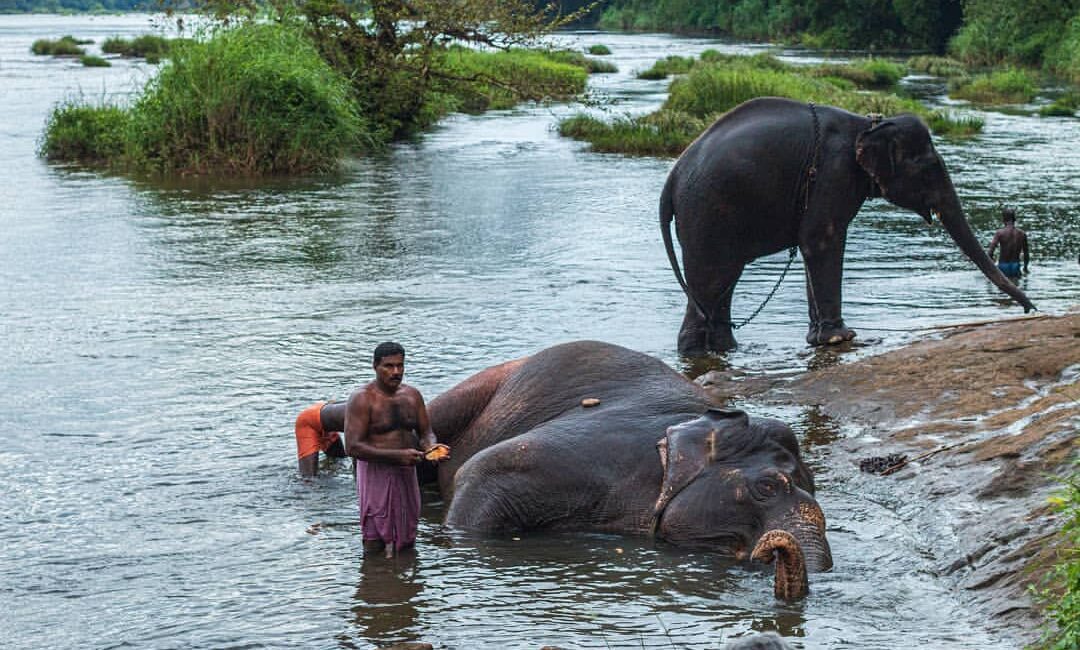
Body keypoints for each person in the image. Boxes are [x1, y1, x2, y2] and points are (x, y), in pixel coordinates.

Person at [345, 341, 448, 557]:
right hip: (376, 473)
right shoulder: (362, 399)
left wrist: (431, 446)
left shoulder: (412, 395)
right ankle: (374, 578)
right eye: (389, 366)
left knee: (408, 533)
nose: (396, 372)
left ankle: (402, 582)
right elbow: (353, 446)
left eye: (400, 366)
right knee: (375, 538)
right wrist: (396, 456)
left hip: (407, 470)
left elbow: (425, 431)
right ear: (375, 366)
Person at [294, 401, 348, 477]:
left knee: (339, 460)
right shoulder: (362, 414)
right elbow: (354, 449)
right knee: (308, 480)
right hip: (308, 422)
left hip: (327, 418)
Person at [987, 207, 1029, 279]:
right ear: (1014, 219)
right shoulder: (1022, 234)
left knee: (1002, 288)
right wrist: (1025, 267)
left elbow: (990, 252)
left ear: (1003, 220)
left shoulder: (999, 233)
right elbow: (1026, 254)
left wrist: (991, 267)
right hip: (1016, 266)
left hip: (1003, 266)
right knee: (1015, 286)